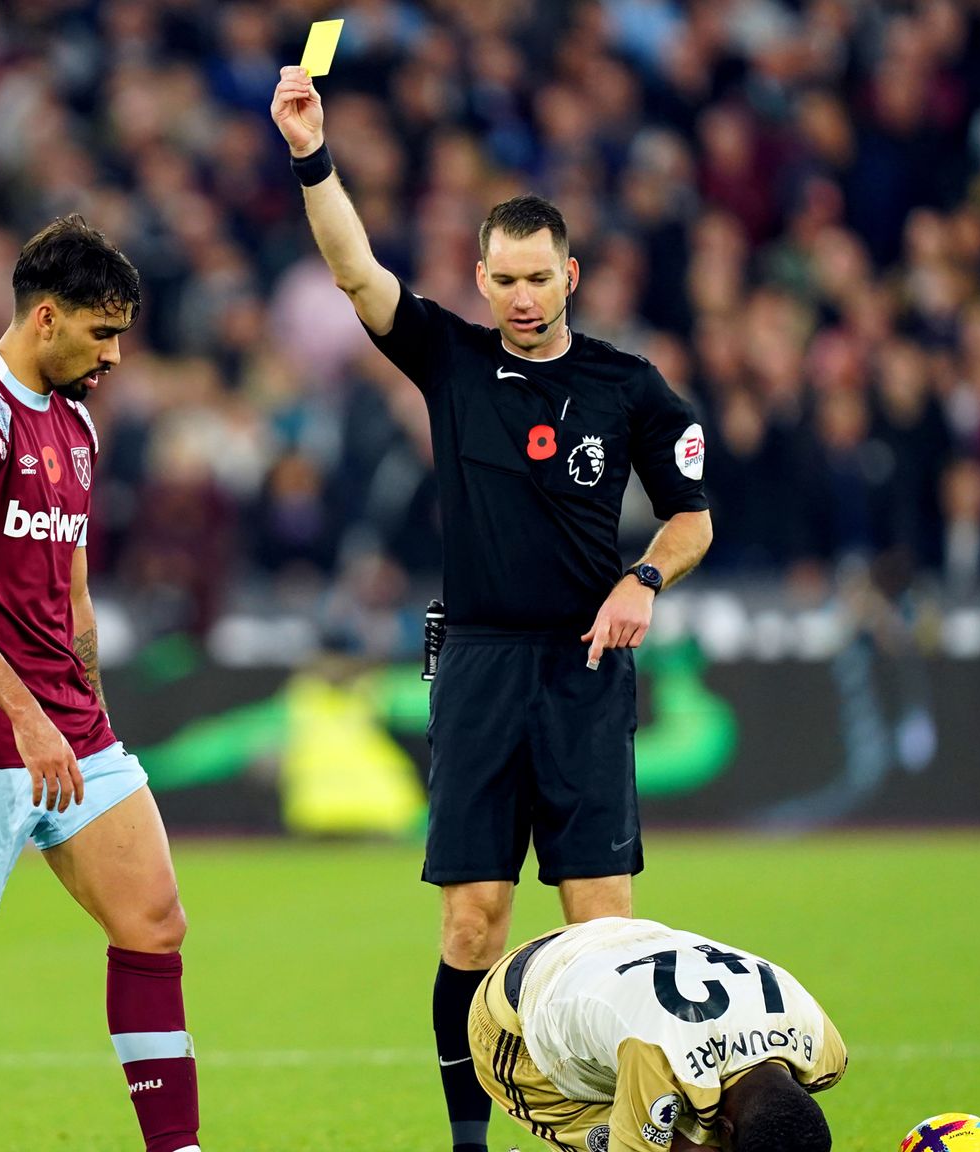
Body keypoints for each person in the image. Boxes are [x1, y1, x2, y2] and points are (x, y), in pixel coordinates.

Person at [272, 66, 716, 1152]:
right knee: (471, 923)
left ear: (568, 274)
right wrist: (310, 155)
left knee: (600, 934)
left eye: (536, 278)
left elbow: (693, 519)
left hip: (582, 673)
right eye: (501, 279)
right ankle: (468, 1141)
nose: (518, 297)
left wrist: (640, 577)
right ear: (479, 277)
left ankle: (621, 1134)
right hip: (473, 666)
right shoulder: (449, 359)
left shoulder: (629, 388)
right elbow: (351, 270)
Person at [0, 215, 200, 1152]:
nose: (118, 355)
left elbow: (73, 590)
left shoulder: (76, 424)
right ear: (45, 318)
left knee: (155, 922)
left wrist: (84, 711)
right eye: (103, 333)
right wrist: (23, 716)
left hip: (72, 731)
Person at [469, 917, 847, 1152]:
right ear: (726, 1129)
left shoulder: (822, 1045)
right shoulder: (660, 1057)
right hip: (517, 1018)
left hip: (614, 943)